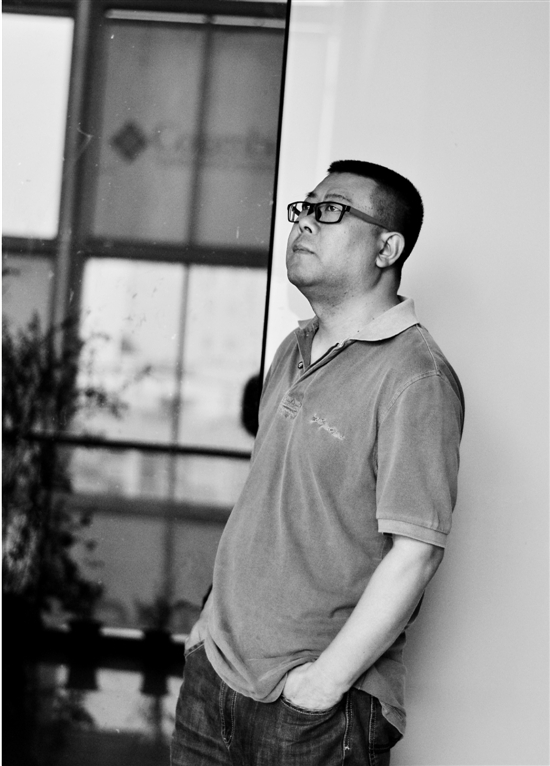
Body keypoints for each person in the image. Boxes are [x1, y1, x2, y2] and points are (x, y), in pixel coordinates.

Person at [171, 159, 464, 766]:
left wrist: (323, 684)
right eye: (304, 208)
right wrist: (207, 626)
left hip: (312, 711)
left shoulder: (416, 378)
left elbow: (416, 554)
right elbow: (267, 499)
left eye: (331, 210)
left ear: (387, 248)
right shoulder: (295, 346)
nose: (304, 221)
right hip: (214, 678)